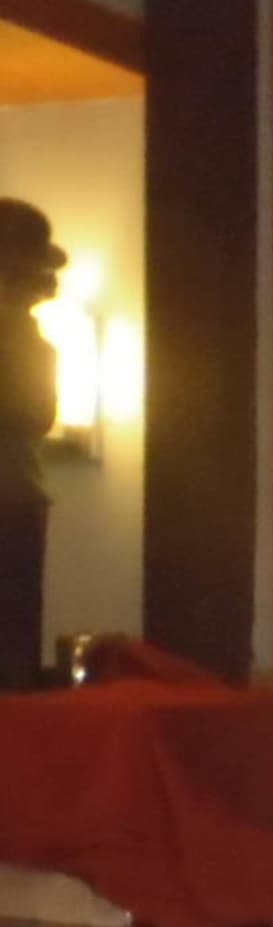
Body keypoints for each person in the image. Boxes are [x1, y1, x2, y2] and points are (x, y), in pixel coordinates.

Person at [0, 198, 60, 690]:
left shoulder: (26, 337)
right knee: (12, 647)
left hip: (14, 495)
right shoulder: (23, 338)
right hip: (11, 497)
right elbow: (35, 413)